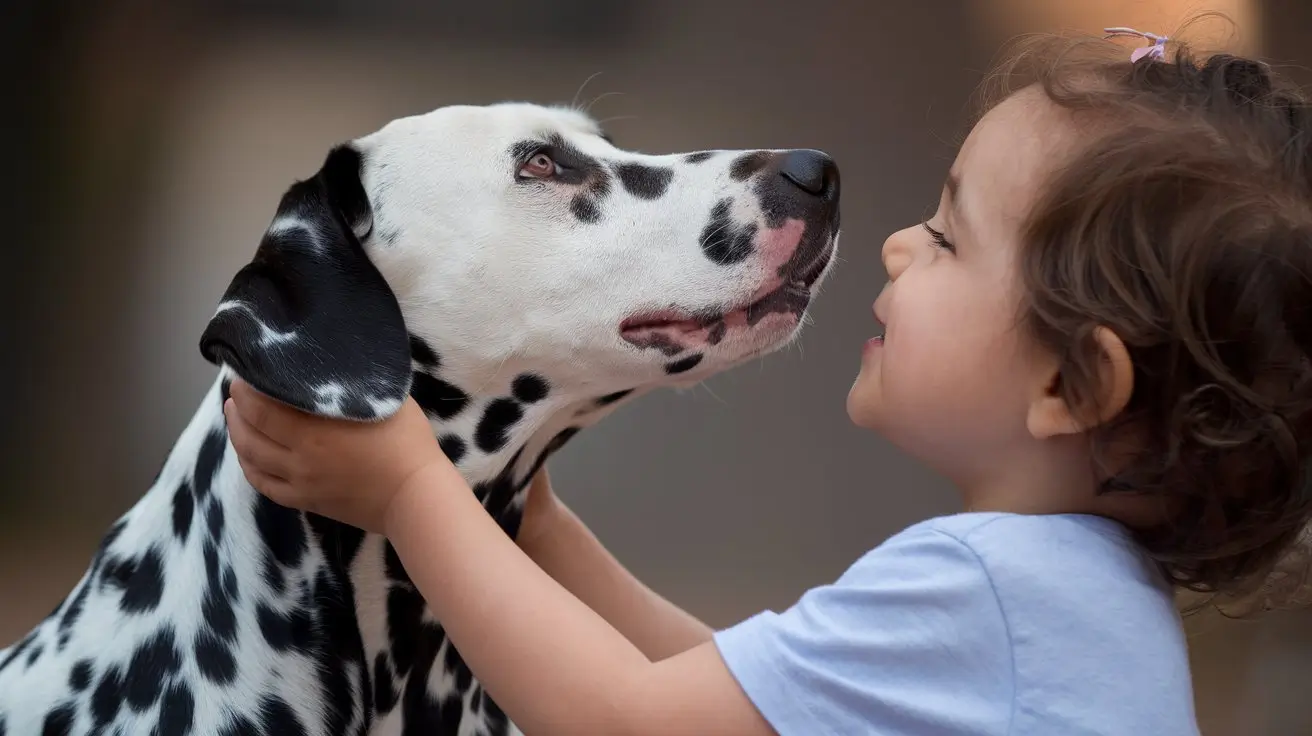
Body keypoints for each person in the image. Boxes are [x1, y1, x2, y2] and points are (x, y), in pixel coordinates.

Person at [221, 21, 1312, 736]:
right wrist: (531, 522)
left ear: (1074, 389)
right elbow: (735, 695)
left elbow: (626, 721)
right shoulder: (1069, 598)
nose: (893, 246)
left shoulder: (988, 588)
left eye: (945, 238)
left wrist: (412, 491)